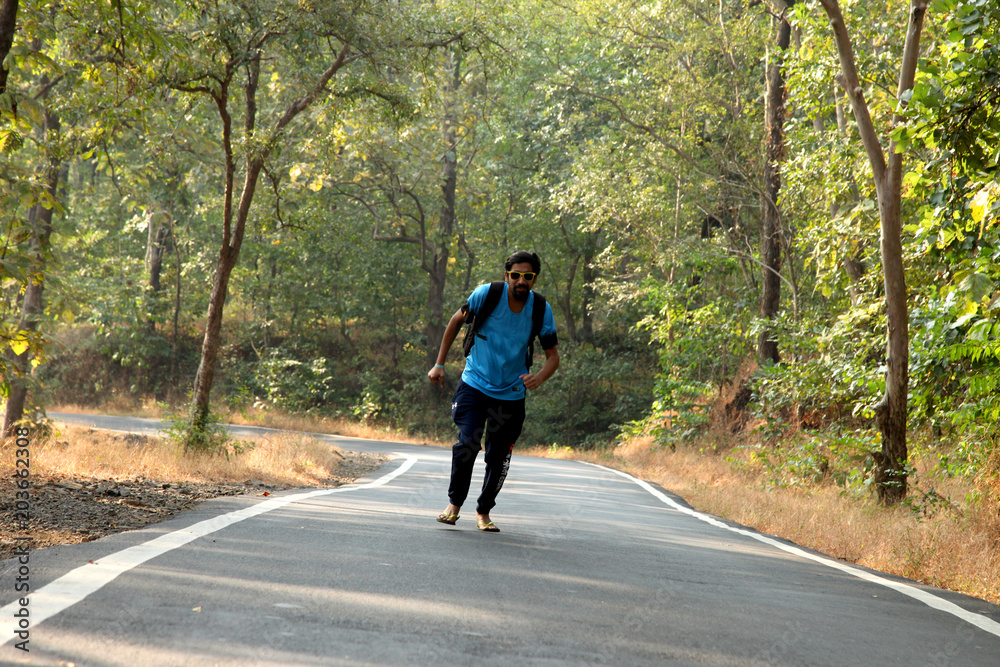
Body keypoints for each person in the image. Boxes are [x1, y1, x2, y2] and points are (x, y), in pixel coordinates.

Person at [427, 251, 560, 532]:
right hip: (474, 385)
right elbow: (454, 321)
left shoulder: (540, 309)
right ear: (506, 275)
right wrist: (439, 364)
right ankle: (454, 505)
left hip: (510, 395)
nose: (521, 281)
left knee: (499, 456)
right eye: (515, 275)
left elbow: (553, 357)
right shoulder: (486, 294)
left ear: (535, 279)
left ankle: (484, 511)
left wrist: (538, 378)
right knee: (468, 443)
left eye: (528, 276)